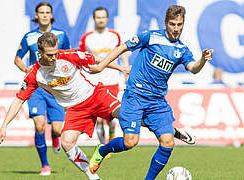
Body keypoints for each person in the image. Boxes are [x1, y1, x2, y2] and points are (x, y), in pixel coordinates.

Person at [88, 5, 213, 179]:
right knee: (130, 142)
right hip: (135, 96)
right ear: (165, 23)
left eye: (179, 24)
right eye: (172, 24)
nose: (176, 29)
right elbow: (122, 47)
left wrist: (202, 60)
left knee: (168, 142)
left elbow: (193, 68)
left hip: (157, 101)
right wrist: (101, 66)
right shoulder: (151, 36)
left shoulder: (182, 50)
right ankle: (102, 150)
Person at [0, 32, 129, 180]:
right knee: (66, 143)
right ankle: (93, 177)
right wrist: (4, 126)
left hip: (95, 95)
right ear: (39, 53)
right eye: (49, 55)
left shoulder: (68, 55)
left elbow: (97, 60)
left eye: (55, 53)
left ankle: (105, 149)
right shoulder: (34, 74)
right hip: (75, 109)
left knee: (128, 116)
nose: (54, 58)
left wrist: (121, 68)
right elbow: (19, 100)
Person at [13, 2, 70, 176]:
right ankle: (45, 165)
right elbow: (17, 59)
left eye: (47, 12)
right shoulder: (29, 37)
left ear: (51, 15)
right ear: (36, 16)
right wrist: (26, 69)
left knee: (59, 129)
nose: (44, 15)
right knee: (39, 125)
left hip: (55, 87)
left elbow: (67, 57)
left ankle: (55, 137)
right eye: (41, 12)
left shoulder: (61, 35)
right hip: (36, 87)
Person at [79, 7, 129, 145]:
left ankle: (112, 134)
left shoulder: (114, 35)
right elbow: (81, 58)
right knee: (98, 117)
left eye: (103, 17)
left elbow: (122, 52)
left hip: (112, 80)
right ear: (94, 19)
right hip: (95, 81)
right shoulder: (87, 38)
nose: (100, 20)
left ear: (107, 19)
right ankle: (103, 145)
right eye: (98, 17)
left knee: (112, 116)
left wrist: (125, 69)